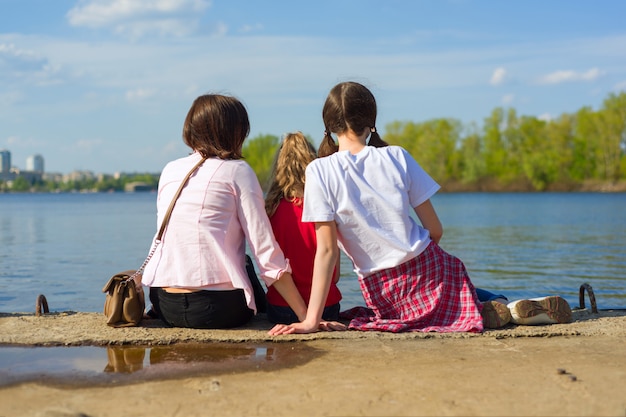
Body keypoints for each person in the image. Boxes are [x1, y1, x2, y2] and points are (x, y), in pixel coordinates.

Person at [268, 82, 571, 335]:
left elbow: (327, 252)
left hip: (384, 288)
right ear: (371, 121)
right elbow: (435, 230)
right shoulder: (397, 156)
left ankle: (495, 308)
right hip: (429, 263)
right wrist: (420, 264)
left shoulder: (320, 171)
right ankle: (504, 305)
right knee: (455, 291)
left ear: (329, 125)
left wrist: (309, 321)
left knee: (423, 311)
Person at [140, 94, 311, 329]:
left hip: (165, 304)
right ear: (234, 132)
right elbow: (265, 251)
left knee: (240, 263)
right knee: (247, 265)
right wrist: (307, 317)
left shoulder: (170, 170)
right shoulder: (237, 171)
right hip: (215, 309)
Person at [264, 132, 343, 324]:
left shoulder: (269, 210)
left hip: (281, 308)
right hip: (327, 306)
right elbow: (336, 275)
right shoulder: (324, 207)